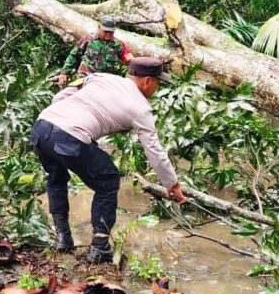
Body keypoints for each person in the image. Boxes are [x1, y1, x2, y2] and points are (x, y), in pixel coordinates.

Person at [31, 57, 186, 263]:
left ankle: (63, 237)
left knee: (56, 178)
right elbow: (154, 151)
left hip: (41, 127)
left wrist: (61, 121)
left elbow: (62, 95)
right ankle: (100, 246)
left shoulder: (101, 78)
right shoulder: (141, 108)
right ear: (147, 81)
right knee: (108, 180)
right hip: (69, 137)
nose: (157, 88)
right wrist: (172, 184)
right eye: (158, 83)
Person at [55, 16, 132, 87]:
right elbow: (74, 55)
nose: (108, 35)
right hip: (85, 79)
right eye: (105, 31)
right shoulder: (88, 39)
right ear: (99, 28)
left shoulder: (119, 45)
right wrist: (64, 73)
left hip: (106, 83)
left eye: (111, 32)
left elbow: (130, 62)